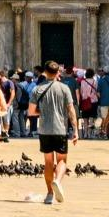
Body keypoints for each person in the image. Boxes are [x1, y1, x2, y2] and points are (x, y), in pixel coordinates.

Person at [29, 61, 76, 206]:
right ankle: (57, 181)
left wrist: (43, 113)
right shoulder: (64, 88)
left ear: (44, 72)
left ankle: (49, 194)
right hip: (60, 129)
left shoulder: (37, 89)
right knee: (62, 160)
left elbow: (31, 112)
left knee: (48, 162)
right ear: (58, 73)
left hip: (44, 130)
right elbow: (71, 110)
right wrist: (75, 130)